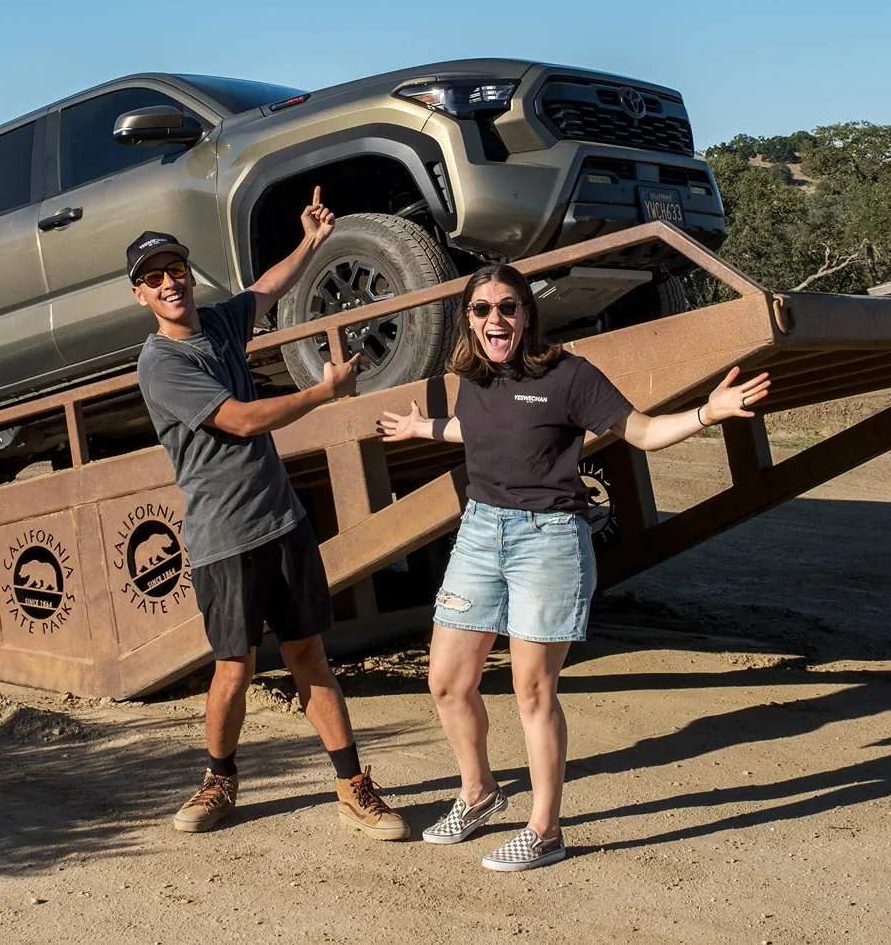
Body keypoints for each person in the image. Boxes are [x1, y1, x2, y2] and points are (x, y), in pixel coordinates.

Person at [376, 263, 769, 870]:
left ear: (527, 313)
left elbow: (639, 432)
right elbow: (478, 429)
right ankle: (478, 792)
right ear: (469, 319)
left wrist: (707, 414)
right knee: (448, 682)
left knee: (532, 689)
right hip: (480, 533)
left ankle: (545, 829)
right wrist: (419, 427)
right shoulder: (471, 376)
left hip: (549, 540)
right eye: (481, 311)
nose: (495, 320)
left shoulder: (569, 375)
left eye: (507, 307)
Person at [132, 189, 410, 840]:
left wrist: (311, 240)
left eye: (174, 270)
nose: (169, 283)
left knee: (309, 655)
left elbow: (263, 289)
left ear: (187, 274)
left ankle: (352, 784)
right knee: (235, 668)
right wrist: (323, 392)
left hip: (281, 522)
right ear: (139, 296)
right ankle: (218, 779)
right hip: (222, 538)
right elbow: (240, 419)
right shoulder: (161, 363)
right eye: (153, 278)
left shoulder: (221, 323)